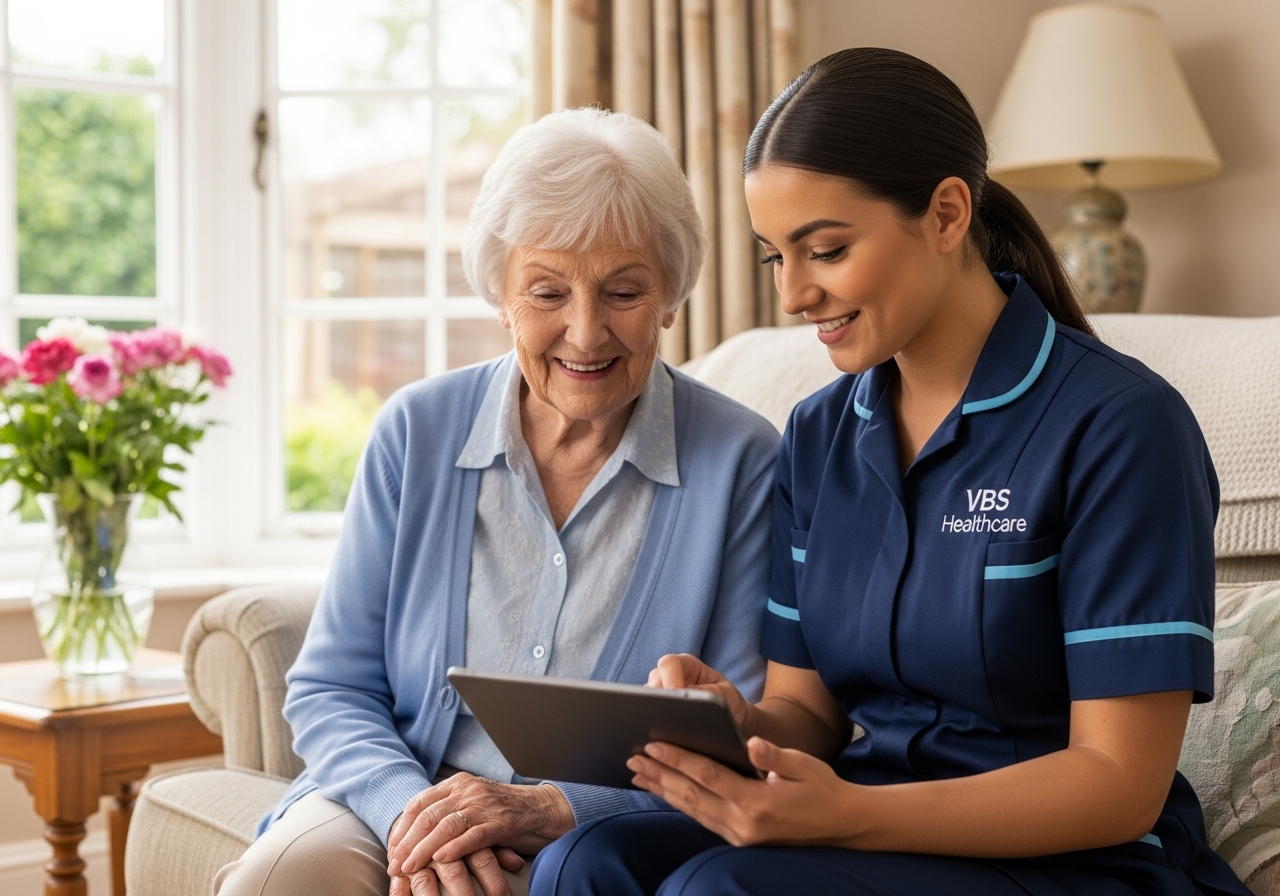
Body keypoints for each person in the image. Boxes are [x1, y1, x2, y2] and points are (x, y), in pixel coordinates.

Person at [529, 48, 1253, 896]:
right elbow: (809, 717)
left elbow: (1117, 785)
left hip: (1077, 864)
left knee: (718, 892)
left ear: (946, 214)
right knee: (584, 862)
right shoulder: (818, 435)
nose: (794, 295)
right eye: (775, 258)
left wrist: (842, 815)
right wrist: (735, 724)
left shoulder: (1122, 427)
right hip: (869, 825)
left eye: (825, 250)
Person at [213, 108, 780, 896]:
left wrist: (549, 808)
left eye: (623, 291)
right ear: (501, 295)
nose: (585, 335)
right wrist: (417, 815)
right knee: (284, 880)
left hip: (591, 827)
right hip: (399, 796)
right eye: (548, 291)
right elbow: (330, 686)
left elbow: (738, 725)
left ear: (671, 299)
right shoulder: (415, 429)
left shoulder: (745, 461)